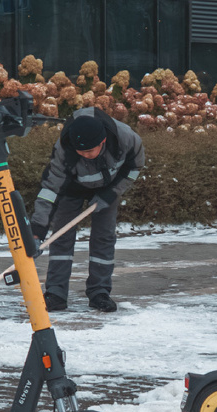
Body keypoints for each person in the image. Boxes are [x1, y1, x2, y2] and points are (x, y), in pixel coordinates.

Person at [30, 107, 145, 312]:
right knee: (61, 236)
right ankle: (55, 294)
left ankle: (99, 292)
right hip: (71, 190)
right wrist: (37, 231)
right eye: (80, 152)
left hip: (107, 189)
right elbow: (49, 190)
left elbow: (134, 169)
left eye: (89, 151)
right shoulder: (64, 150)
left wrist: (110, 195)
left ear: (102, 142)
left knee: (104, 237)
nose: (84, 155)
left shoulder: (126, 138)